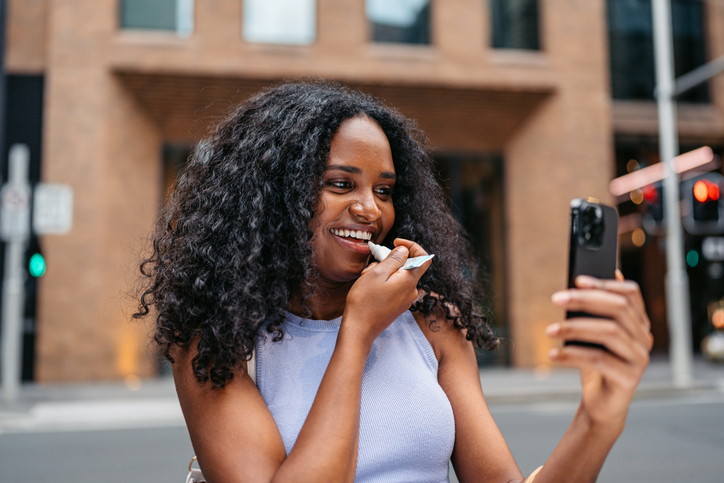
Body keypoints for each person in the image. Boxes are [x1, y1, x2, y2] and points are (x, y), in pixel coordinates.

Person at [135, 81, 653, 483]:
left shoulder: (430, 320)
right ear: (274, 196)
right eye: (341, 184)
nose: (369, 209)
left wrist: (598, 419)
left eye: (384, 190)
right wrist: (357, 331)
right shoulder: (216, 342)